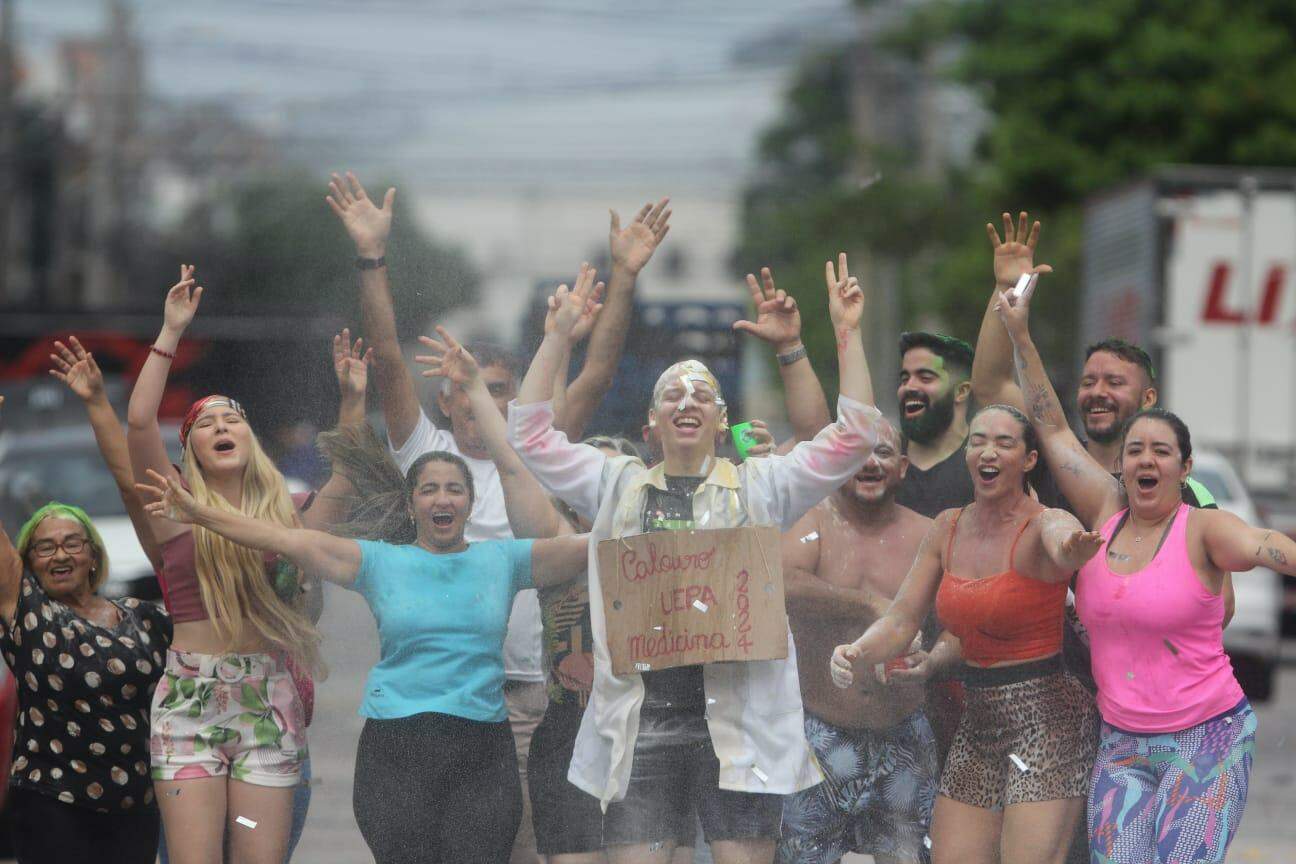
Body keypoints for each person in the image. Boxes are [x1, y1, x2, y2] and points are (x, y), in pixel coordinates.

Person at [326, 171, 670, 864]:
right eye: (464, 390)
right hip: (457, 699)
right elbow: (391, 359)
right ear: (446, 401)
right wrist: (372, 256)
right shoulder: (428, 456)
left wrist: (624, 276)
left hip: (543, 695)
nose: (480, 401)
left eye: (500, 390)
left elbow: (597, 375)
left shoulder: (537, 455)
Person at [508, 254, 883, 864]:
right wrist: (555, 338)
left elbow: (856, 438)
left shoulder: (762, 486)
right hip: (641, 724)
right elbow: (528, 437)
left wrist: (845, 332)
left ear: (721, 418)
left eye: (702, 394)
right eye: (672, 396)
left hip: (740, 727)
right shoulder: (612, 483)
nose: (687, 401)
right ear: (651, 423)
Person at [136, 443, 590, 864]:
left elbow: (593, 547)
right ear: (412, 504)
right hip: (397, 745)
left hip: (482, 747)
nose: (442, 499)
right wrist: (199, 512)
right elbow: (281, 539)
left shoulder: (504, 560)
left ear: (471, 504)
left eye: (455, 489)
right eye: (429, 489)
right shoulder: (377, 561)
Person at [994, 280, 1296, 864]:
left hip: (1208, 738)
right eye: (1136, 450)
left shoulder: (1203, 528)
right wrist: (1020, 333)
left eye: (1161, 451)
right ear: (1123, 466)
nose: (1146, 460)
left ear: (1183, 468)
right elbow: (1052, 426)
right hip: (1123, 743)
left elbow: (1265, 545)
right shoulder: (1106, 513)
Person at [126, 267, 348, 864]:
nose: (222, 427)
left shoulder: (292, 515)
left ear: (251, 438)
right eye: (206, 424)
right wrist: (171, 331)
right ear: (190, 448)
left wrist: (353, 398)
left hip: (264, 712)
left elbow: (349, 477)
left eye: (233, 419)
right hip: (188, 710)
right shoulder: (172, 506)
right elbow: (140, 422)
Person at [830, 403, 1104, 864]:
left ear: (1029, 460)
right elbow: (901, 621)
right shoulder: (947, 526)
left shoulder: (1042, 523)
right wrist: (856, 651)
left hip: (1048, 716)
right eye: (977, 440)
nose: (987, 451)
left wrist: (1071, 546)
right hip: (979, 717)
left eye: (1003, 442)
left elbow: (1061, 534)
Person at [0, 353, 174, 864]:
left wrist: (98, 402)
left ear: (94, 554)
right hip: (52, 802)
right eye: (45, 546)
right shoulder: (26, 614)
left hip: (135, 804)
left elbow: (134, 493)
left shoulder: (146, 618)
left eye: (73, 542)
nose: (60, 554)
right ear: (28, 561)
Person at [776, 417, 941, 864]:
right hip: (821, 732)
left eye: (883, 452)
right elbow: (780, 583)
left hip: (903, 730)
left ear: (903, 467)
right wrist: (868, 603)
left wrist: (935, 656)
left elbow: (959, 618)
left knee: (907, 857)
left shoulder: (929, 533)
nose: (870, 463)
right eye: (857, 453)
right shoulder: (811, 521)